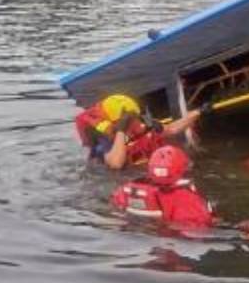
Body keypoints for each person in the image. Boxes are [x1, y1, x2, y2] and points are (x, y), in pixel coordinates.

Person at [74, 94, 209, 169]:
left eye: (134, 118)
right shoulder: (103, 140)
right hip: (123, 176)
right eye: (129, 120)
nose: (135, 123)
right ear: (115, 121)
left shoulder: (139, 122)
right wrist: (121, 131)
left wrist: (198, 112)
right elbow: (116, 163)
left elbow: (172, 129)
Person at [111, 145, 214, 230]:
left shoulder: (125, 190)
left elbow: (115, 207)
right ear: (182, 169)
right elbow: (199, 229)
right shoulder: (186, 199)